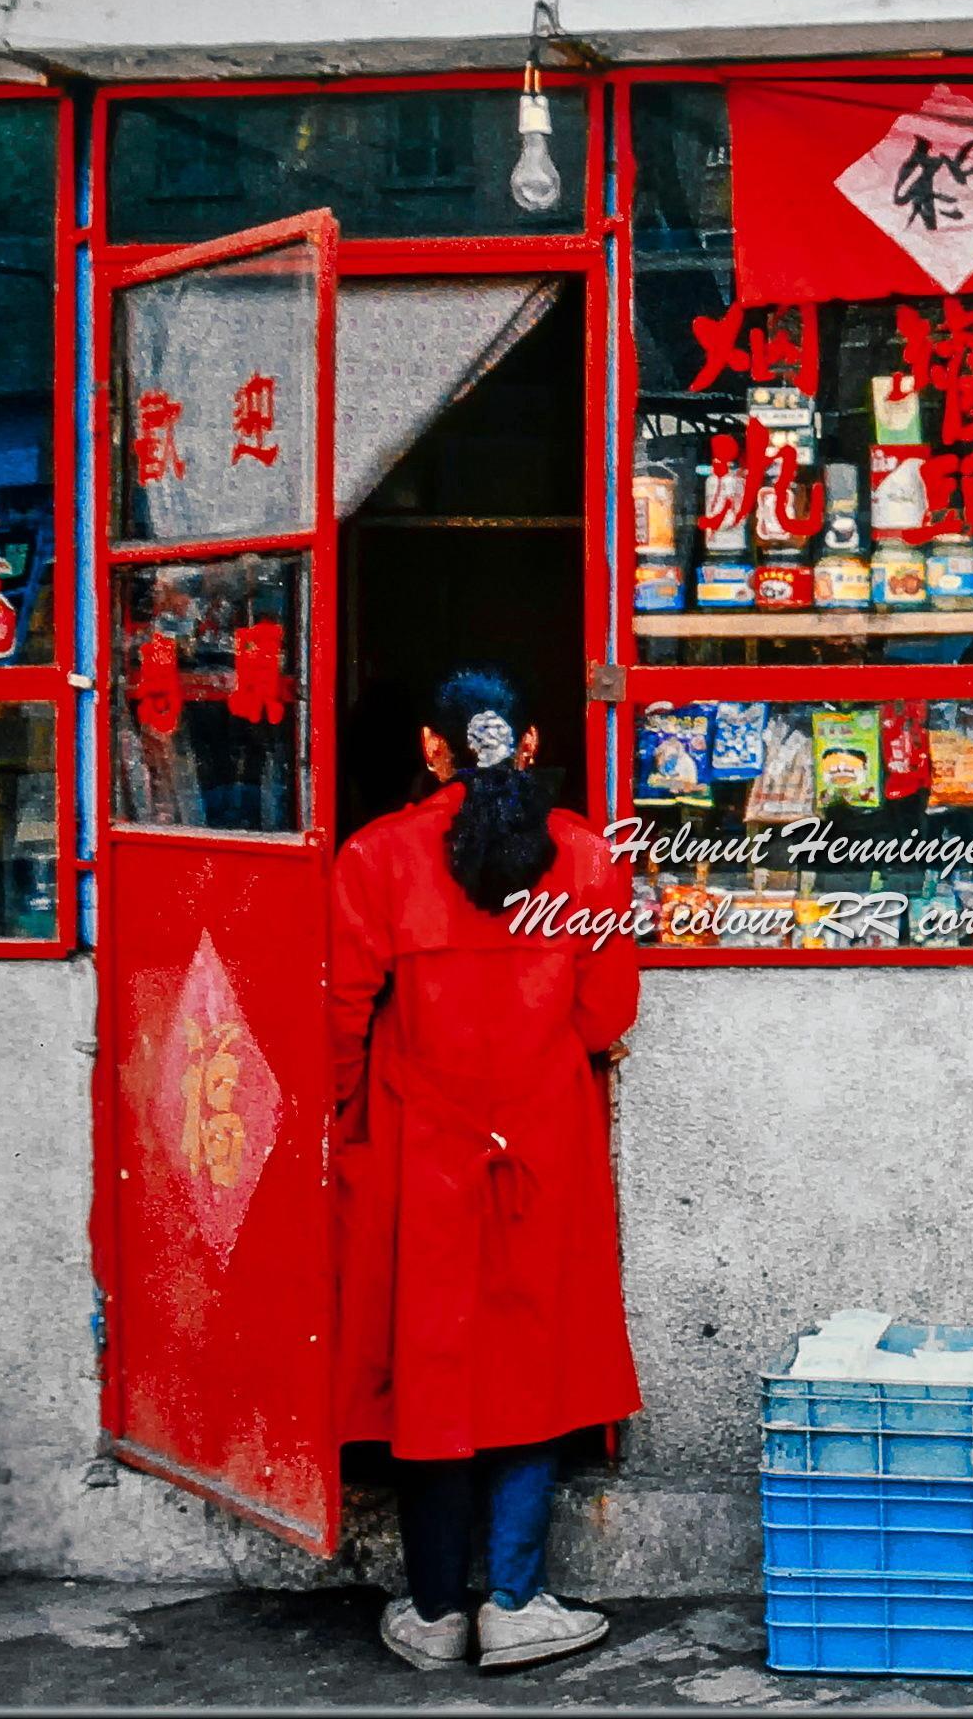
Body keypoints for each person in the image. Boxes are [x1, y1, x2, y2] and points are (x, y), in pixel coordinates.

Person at [329, 666, 642, 1671]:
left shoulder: (376, 855)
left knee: (431, 1363)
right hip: (543, 1144)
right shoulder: (587, 854)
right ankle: (514, 1600)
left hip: (421, 1145)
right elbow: (605, 1016)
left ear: (433, 746)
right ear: (535, 738)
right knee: (529, 1360)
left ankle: (430, 1613)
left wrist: (338, 1121)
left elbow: (337, 1017)